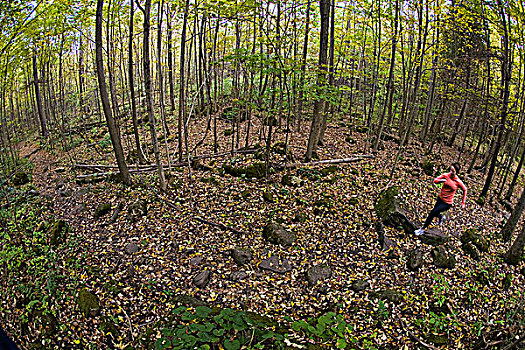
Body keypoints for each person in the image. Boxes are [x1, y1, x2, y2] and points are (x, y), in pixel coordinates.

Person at [414, 163, 467, 235]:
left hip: (447, 203)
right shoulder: (446, 175)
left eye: (453, 171)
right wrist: (441, 180)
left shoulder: (458, 181)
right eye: (450, 170)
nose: (451, 172)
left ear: (456, 172)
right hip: (440, 199)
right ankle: (441, 216)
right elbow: (435, 180)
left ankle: (422, 229)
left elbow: (465, 189)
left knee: (432, 213)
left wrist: (463, 202)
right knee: (435, 213)